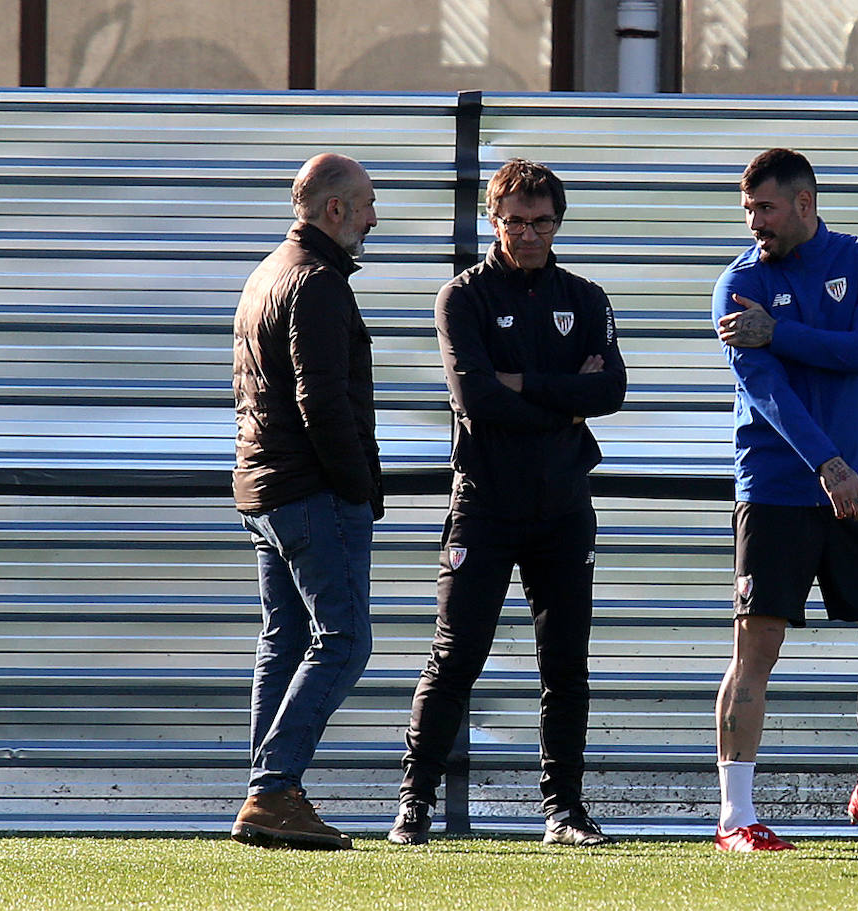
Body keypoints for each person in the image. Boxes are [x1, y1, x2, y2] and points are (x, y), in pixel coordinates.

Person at [388, 158, 627, 847]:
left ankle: (565, 811)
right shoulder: (461, 298)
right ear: (493, 220)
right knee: (457, 655)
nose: (528, 234)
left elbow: (611, 390)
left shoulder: (585, 297)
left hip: (563, 506)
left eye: (541, 221)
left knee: (565, 663)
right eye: (515, 221)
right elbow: (475, 398)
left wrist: (526, 384)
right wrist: (563, 399)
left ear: (558, 222)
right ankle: (414, 804)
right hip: (485, 505)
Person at [710, 148, 858, 852]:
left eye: (766, 208)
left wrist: (785, 333)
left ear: (804, 203)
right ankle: (735, 817)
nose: (755, 224)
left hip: (857, 483)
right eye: (747, 210)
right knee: (757, 648)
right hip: (776, 488)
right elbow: (766, 392)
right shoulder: (737, 283)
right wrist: (825, 463)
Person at [229, 153, 383, 850]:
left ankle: (267, 788)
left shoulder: (267, 272)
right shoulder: (318, 282)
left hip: (265, 488)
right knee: (345, 640)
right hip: (311, 490)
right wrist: (359, 486)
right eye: (368, 205)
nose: (374, 220)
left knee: (284, 641)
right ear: (335, 211)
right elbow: (320, 399)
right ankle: (272, 789)